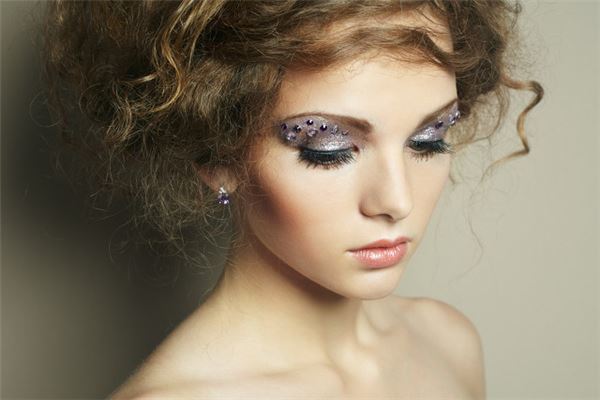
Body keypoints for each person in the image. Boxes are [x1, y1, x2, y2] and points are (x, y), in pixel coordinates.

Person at [40, 0, 543, 398]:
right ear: (216, 155)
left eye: (429, 138)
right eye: (329, 148)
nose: (397, 200)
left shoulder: (449, 343)